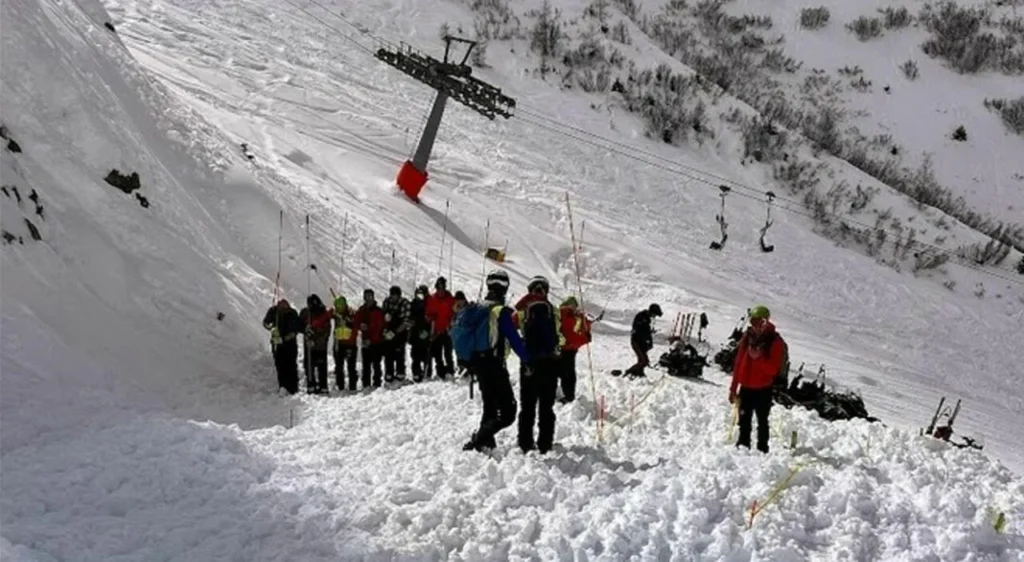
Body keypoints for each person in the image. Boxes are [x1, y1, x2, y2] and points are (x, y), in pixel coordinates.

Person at [462, 270, 529, 453]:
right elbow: (513, 339)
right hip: (494, 364)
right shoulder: (501, 311)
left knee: (489, 405)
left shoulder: (477, 308)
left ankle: (485, 443)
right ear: (505, 288)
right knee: (508, 412)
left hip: (478, 363)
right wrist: (528, 359)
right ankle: (479, 439)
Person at [729, 305, 787, 453]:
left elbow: (773, 370)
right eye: (753, 321)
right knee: (744, 421)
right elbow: (738, 362)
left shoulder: (775, 342)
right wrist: (733, 388)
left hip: (763, 389)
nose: (755, 326)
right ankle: (743, 447)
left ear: (766, 321)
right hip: (746, 388)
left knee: (762, 422)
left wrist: (759, 357)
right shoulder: (748, 337)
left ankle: (762, 450)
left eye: (759, 322)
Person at [516, 275, 562, 454]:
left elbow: (513, 331)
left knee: (527, 406)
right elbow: (560, 335)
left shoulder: (522, 309)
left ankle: (525, 443)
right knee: (546, 406)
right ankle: (545, 443)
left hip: (529, 363)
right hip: (549, 363)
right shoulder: (553, 310)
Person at [557, 296, 597, 403]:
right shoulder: (573, 316)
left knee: (560, 371)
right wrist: (585, 337)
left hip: (562, 348)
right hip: (569, 349)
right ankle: (569, 396)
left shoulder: (562, 314)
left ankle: (561, 394)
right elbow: (579, 336)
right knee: (568, 373)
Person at [263, 298, 301, 394]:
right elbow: (265, 323)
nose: (282, 307)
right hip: (277, 344)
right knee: (280, 366)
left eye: (284, 306)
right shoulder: (273, 312)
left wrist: (285, 338)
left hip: (290, 344)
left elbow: (295, 330)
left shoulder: (292, 313)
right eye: (280, 306)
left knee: (291, 365)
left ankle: (293, 387)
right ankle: (283, 386)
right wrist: (271, 328)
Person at [299, 294, 333, 394]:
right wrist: (305, 330)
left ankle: (323, 386)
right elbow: (298, 324)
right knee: (308, 366)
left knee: (322, 366)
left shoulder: (324, 313)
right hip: (308, 345)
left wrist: (315, 338)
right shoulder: (305, 313)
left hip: (320, 346)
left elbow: (326, 331)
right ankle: (311, 385)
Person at [352, 289, 386, 388]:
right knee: (366, 365)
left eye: (370, 296)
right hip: (365, 341)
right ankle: (366, 384)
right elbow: (355, 322)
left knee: (376, 364)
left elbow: (381, 326)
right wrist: (360, 326)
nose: (369, 299)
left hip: (376, 341)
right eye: (367, 297)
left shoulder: (379, 311)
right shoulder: (361, 310)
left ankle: (377, 383)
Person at [426, 276, 456, 379]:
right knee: (437, 354)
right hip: (436, 331)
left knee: (448, 353)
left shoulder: (451, 299)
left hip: (447, 331)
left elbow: (454, 313)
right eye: (439, 288)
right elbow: (428, 314)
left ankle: (450, 371)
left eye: (442, 288)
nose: (441, 290)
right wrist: (430, 318)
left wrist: (451, 324)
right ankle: (441, 372)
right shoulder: (432, 299)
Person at [381, 285, 411, 382]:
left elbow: (406, 321)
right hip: (389, 331)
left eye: (395, 295)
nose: (393, 297)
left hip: (400, 332)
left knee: (399, 354)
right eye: (392, 295)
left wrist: (395, 333)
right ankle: (388, 374)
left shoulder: (405, 303)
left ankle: (400, 374)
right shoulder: (386, 302)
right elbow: (383, 318)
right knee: (388, 354)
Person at [624, 303, 662, 377]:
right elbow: (639, 330)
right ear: (652, 312)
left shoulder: (646, 318)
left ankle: (639, 372)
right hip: (636, 341)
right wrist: (648, 334)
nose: (654, 317)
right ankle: (629, 371)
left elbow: (644, 330)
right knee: (644, 361)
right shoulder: (642, 317)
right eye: (654, 315)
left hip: (641, 342)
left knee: (642, 360)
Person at [332, 295, 358, 391]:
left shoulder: (351, 313)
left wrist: (348, 319)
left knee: (351, 366)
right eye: (337, 306)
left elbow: (355, 324)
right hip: (339, 343)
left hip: (350, 343)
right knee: (339, 366)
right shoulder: (336, 314)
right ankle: (340, 386)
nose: (339, 308)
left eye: (341, 305)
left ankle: (352, 386)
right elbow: (328, 314)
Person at [408, 285, 432, 382]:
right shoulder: (413, 304)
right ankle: (416, 373)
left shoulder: (429, 304)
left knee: (426, 353)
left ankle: (427, 372)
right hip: (415, 332)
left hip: (425, 331)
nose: (419, 296)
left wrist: (428, 331)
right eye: (418, 294)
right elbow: (408, 316)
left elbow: (432, 319)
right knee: (415, 355)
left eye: (422, 294)